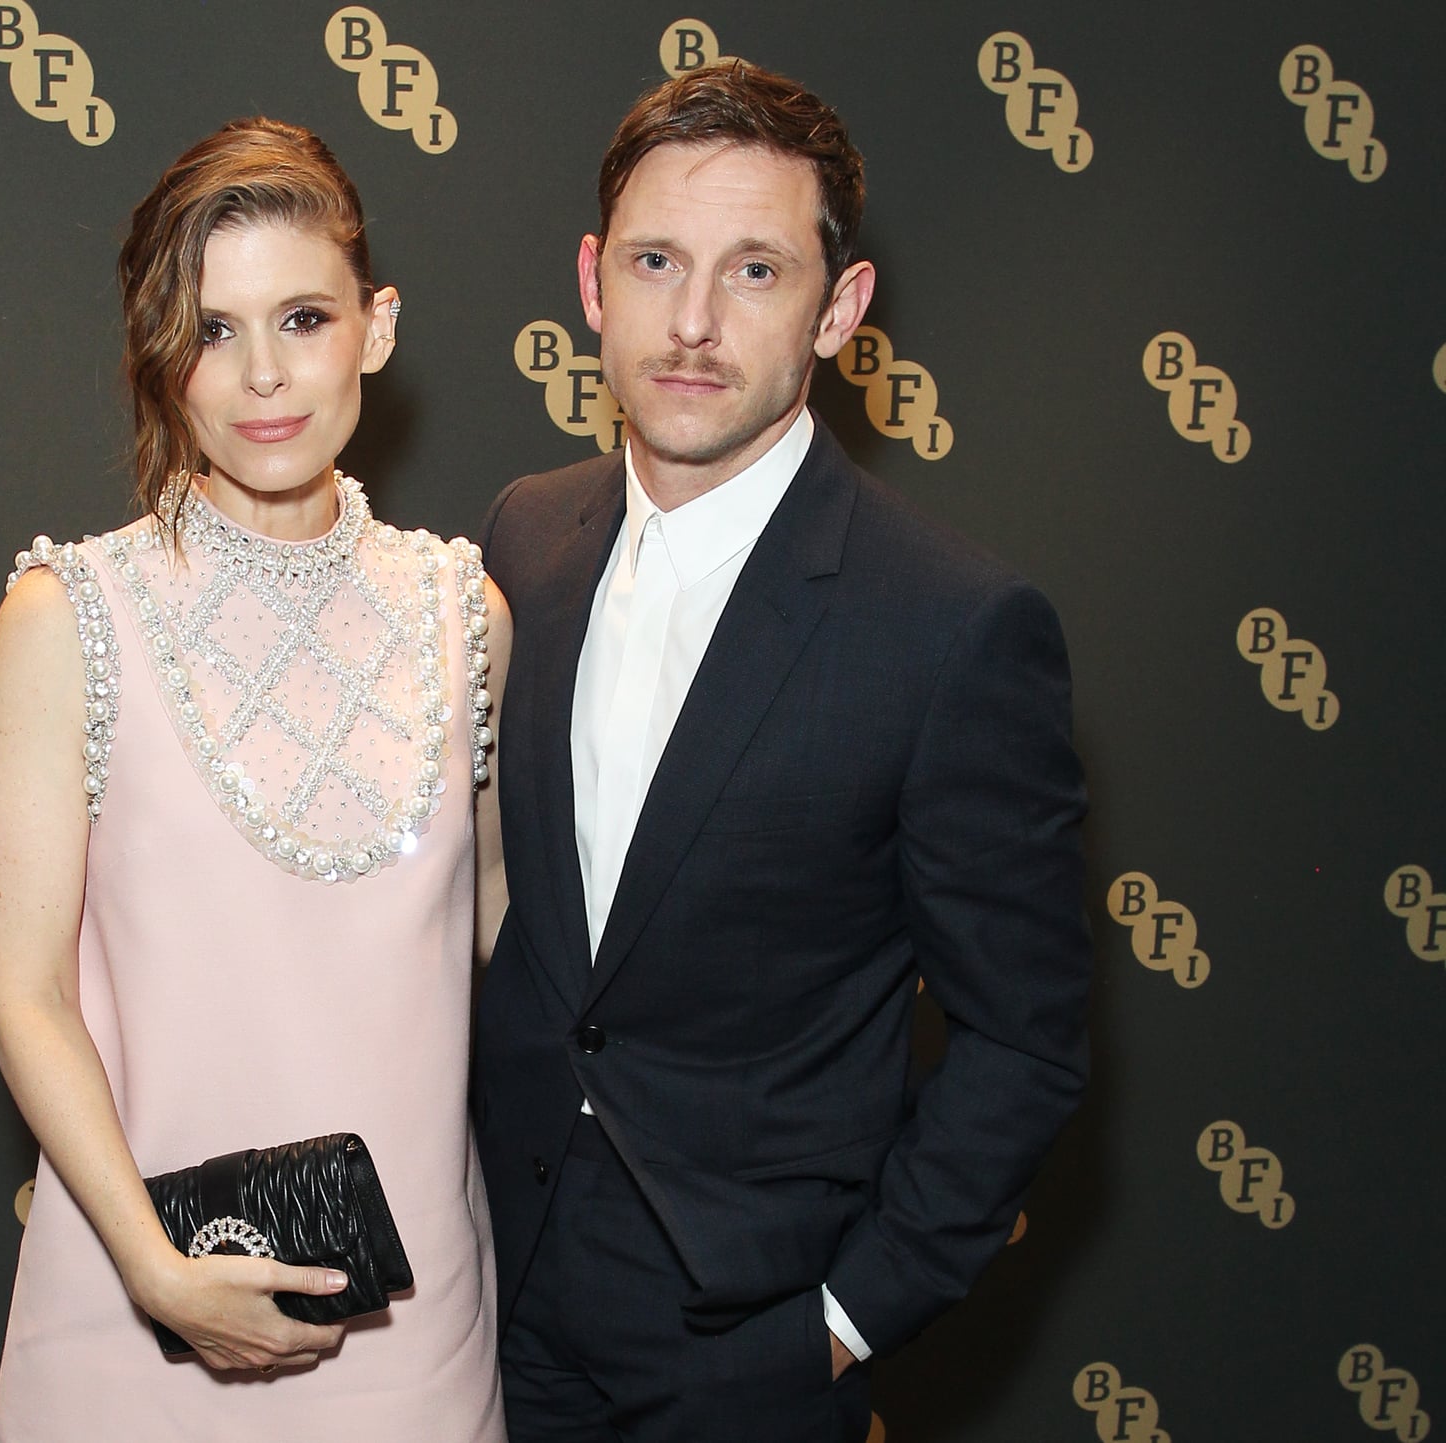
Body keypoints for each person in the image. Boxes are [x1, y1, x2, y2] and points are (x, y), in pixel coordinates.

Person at [474, 60, 1091, 1442]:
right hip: (484, 1300)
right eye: (655, 261)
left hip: (739, 1351)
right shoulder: (521, 534)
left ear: (840, 309)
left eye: (755, 271)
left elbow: (1027, 1041)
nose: (691, 321)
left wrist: (839, 1327)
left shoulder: (955, 626)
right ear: (592, 281)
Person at [0, 118, 511, 1442]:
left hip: (414, 1330)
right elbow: (26, 993)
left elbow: (490, 932)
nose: (264, 375)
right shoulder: (67, 616)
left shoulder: (466, 612)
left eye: (304, 317)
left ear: (376, 326)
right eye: (212, 331)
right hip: (135, 1310)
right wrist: (158, 1269)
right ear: (161, 355)